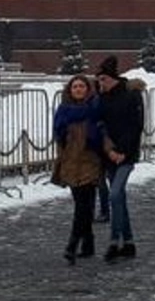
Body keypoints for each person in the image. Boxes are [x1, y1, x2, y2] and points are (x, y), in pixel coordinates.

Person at [51, 75, 105, 264]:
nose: (79, 89)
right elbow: (59, 136)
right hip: (71, 162)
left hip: (90, 160)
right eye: (75, 86)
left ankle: (72, 244)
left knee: (83, 206)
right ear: (70, 90)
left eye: (82, 86)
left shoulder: (95, 108)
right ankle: (88, 242)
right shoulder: (63, 112)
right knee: (83, 205)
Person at [97, 55, 146, 261]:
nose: (100, 84)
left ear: (113, 78)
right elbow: (99, 125)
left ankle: (114, 241)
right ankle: (129, 242)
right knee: (120, 199)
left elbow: (135, 126)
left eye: (103, 80)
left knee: (115, 194)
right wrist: (109, 150)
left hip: (126, 154)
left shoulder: (132, 95)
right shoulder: (100, 98)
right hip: (108, 154)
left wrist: (123, 151)